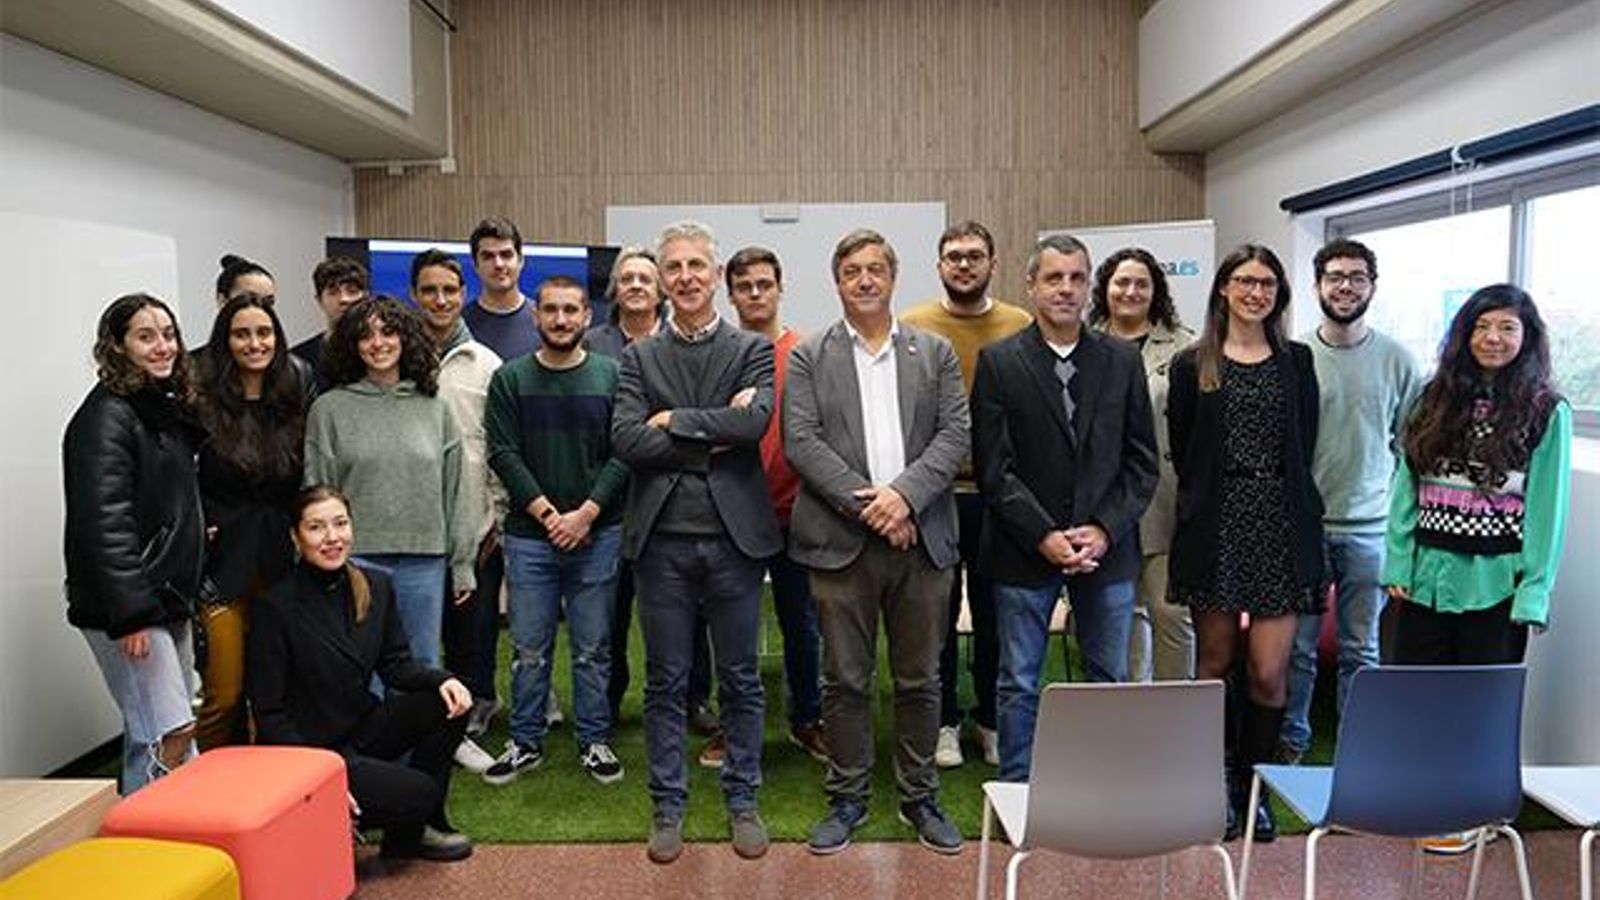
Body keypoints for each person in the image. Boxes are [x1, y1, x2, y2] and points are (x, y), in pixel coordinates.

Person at [786, 229, 970, 856]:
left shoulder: (935, 352)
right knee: (845, 680)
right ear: (837, 282)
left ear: (893, 277)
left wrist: (904, 498)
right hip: (842, 544)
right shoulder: (810, 356)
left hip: (922, 542)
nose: (864, 280)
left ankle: (919, 796)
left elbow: (954, 436)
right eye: (851, 272)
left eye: (875, 270)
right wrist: (876, 506)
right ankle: (848, 797)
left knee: (920, 680)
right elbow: (803, 442)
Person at [611, 221, 780, 864]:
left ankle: (743, 799)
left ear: (715, 275)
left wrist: (676, 421)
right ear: (659, 278)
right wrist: (715, 431)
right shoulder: (639, 356)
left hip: (735, 542)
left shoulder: (749, 347)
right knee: (666, 681)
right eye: (672, 268)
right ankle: (668, 805)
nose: (685, 278)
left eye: (696, 266)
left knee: (740, 679)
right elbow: (627, 441)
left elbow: (755, 424)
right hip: (662, 545)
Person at [974, 234, 1158, 782]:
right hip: (1024, 550)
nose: (1066, 289)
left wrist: (1103, 529)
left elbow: (1142, 462)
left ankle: (1105, 786)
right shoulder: (1000, 363)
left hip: (1107, 550)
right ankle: (1018, 786)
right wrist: (1044, 536)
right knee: (1020, 678)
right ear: (1030, 286)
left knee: (1108, 676)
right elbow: (993, 469)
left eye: (1077, 278)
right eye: (1053, 278)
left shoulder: (1122, 361)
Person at [1167, 244, 1324, 843]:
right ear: (1224, 290)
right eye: (1244, 281)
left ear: (1278, 294)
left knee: (1267, 672)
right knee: (1213, 665)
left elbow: (1303, 444)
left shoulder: (1297, 362)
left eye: (1267, 283)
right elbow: (1186, 452)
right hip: (1215, 525)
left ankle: (1252, 790)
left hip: (1281, 527)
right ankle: (1213, 786)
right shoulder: (1192, 364)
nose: (1256, 292)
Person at [248, 486, 474, 862]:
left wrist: (444, 680)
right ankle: (340, 820)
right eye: (317, 527)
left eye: (340, 523)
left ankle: (415, 832)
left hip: (363, 728)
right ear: (295, 536)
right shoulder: (275, 607)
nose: (332, 537)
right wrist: (323, 781)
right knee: (418, 790)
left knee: (449, 701)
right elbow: (269, 715)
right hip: (315, 750)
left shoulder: (376, 586)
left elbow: (396, 665)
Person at [483, 276, 629, 788]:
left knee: (593, 647)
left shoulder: (612, 376)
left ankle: (594, 741)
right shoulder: (510, 379)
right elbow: (503, 453)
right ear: (535, 316)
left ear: (587, 317)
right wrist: (551, 517)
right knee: (528, 648)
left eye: (571, 310)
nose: (561, 319)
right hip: (529, 537)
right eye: (551, 310)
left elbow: (624, 452)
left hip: (599, 533)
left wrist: (585, 515)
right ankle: (525, 742)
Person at [1278, 239, 1420, 764]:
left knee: (1363, 650)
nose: (1345, 286)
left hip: (1370, 530)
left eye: (1357, 277)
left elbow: (1412, 451)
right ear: (1317, 285)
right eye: (1335, 276)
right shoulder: (1292, 357)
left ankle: (1358, 751)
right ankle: (1290, 743)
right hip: (1306, 529)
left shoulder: (1398, 361)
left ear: (1372, 287)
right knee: (1299, 648)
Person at [900, 221, 1031, 768]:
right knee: (937, 615)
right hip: (936, 495)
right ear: (939, 266)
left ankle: (992, 720)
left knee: (1000, 613)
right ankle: (945, 720)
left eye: (974, 256)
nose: (963, 265)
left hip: (1003, 494)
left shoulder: (1021, 325)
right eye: (953, 257)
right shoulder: (912, 325)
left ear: (992, 263)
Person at [1384, 284, 1571, 665]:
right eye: (1481, 326)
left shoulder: (1546, 411)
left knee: (1482, 709)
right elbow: (1406, 484)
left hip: (1497, 587)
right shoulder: (1431, 397)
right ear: (1464, 334)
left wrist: (1534, 591)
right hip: (1422, 581)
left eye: (1507, 327)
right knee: (1418, 701)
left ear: (1527, 337)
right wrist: (1398, 561)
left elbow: (1547, 510)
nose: (1492, 338)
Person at [63, 293, 205, 793]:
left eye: (168, 334)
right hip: (131, 607)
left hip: (165, 597)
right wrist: (131, 612)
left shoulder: (159, 408)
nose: (163, 346)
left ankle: (167, 839)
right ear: (117, 347)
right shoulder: (107, 416)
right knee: (168, 730)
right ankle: (147, 842)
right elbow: (104, 523)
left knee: (160, 727)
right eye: (146, 336)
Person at [303, 296, 477, 670]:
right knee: (361, 669)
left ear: (406, 338)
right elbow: (317, 488)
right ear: (352, 344)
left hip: (425, 560)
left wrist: (463, 563)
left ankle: (418, 732)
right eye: (365, 335)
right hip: (355, 559)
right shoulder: (329, 410)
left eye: (388, 332)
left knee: (422, 664)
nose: (378, 343)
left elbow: (456, 490)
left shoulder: (435, 408)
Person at [193, 293, 314, 749]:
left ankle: (264, 792)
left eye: (263, 333)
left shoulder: (293, 401)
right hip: (222, 566)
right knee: (224, 695)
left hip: (281, 564)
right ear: (225, 343)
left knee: (274, 692)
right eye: (241, 334)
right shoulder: (200, 405)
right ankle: (202, 787)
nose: (254, 343)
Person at [726, 246, 827, 763]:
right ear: (732, 295)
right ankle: (735, 728)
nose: (756, 294)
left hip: (797, 514)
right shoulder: (722, 354)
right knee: (733, 629)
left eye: (765, 284)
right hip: (736, 515)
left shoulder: (807, 353)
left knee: (802, 624)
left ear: (780, 288)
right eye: (745, 286)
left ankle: (807, 719)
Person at [411, 248, 506, 773]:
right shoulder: (395, 359)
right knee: (419, 636)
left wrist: (495, 513)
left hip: (474, 522)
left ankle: (467, 724)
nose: (440, 300)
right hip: (414, 525)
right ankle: (422, 720)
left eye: (449, 289)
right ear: (414, 295)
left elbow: (496, 447)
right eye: (429, 290)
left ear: (463, 294)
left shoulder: (485, 364)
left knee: (472, 632)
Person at [1087, 247, 1197, 682]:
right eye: (1121, 282)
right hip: (1102, 501)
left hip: (1165, 501)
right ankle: (1131, 715)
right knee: (1121, 617)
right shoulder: (1081, 341)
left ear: (1156, 291)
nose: (1130, 291)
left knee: (1171, 614)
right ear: (1105, 289)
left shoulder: (1186, 346)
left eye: (1141, 284)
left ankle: (1175, 718)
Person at [584, 247, 668, 725]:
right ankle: (608, 701)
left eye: (645, 278)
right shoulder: (592, 344)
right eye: (627, 278)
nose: (636, 285)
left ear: (660, 291)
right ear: (614, 288)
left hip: (669, 496)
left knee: (678, 614)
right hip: (607, 502)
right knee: (608, 614)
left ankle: (690, 699)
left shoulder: (680, 341)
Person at [464, 216, 541, 361]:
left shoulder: (544, 321)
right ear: (475, 265)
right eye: (488, 256)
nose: (498, 264)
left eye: (506, 255)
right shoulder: (460, 325)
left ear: (521, 261)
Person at [291, 256, 370, 391]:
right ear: (319, 300)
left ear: (366, 296)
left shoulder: (380, 352)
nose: (344, 299)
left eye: (352, 291)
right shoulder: (299, 359)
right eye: (333, 292)